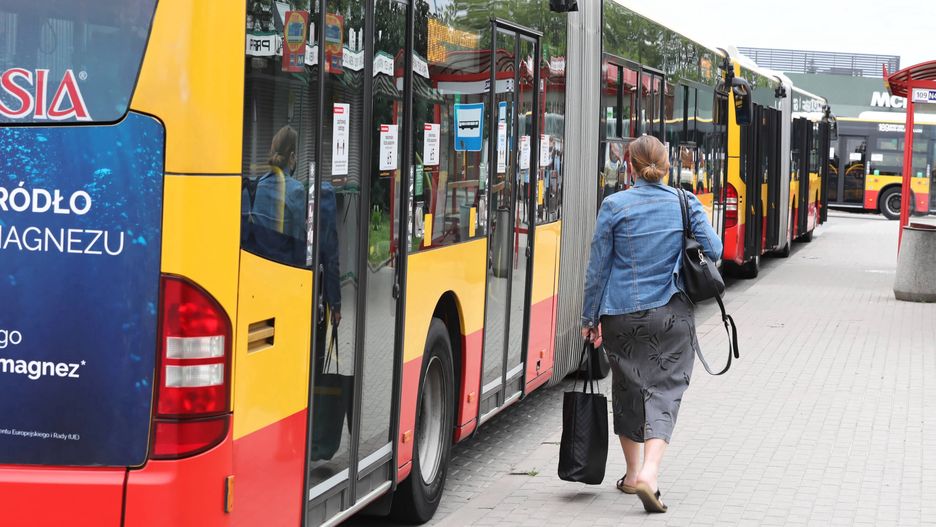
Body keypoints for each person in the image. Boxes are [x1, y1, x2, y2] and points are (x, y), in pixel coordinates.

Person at [581, 135, 722, 513]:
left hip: (619, 314)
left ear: (628, 165)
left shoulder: (613, 205)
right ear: (667, 165)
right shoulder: (684, 202)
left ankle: (630, 476)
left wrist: (588, 318)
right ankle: (650, 472)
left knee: (627, 388)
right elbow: (715, 250)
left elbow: (598, 268)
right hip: (671, 314)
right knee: (666, 390)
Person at [242, 125, 307, 266]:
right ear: (292, 156)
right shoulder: (296, 190)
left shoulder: (254, 185)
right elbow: (298, 245)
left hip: (256, 266)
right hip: (283, 269)